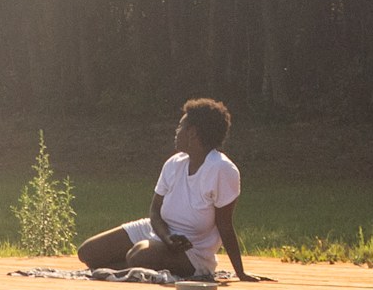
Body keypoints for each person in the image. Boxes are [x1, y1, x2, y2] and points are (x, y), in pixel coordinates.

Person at [79, 98, 250, 280]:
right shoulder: (174, 163)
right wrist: (167, 237)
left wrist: (241, 273)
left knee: (138, 255)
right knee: (88, 252)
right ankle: (124, 268)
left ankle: (118, 268)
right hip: (160, 230)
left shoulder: (221, 169)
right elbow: (155, 211)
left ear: (192, 133)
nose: (176, 133)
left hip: (192, 250)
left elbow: (225, 225)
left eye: (180, 127)